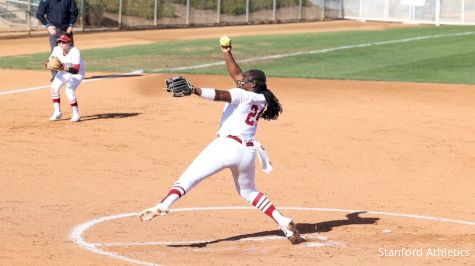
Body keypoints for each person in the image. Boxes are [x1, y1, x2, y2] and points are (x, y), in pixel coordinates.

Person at [139, 44, 304, 244]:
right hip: (248, 152)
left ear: (252, 84)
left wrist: (194, 90)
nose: (241, 79)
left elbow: (219, 95)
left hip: (227, 147)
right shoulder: (260, 98)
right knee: (248, 192)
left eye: (245, 79)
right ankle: (282, 221)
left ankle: (164, 204)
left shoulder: (242, 94)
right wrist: (227, 52)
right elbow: (236, 74)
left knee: (190, 177)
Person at [36, 0, 79, 81]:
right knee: (55, 53)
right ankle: (56, 77)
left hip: (66, 30)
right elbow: (39, 14)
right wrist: (48, 26)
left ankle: (72, 74)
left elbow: (74, 11)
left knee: (70, 52)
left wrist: (71, 24)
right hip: (53, 30)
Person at [46, 34, 85, 122]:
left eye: (63, 42)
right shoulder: (56, 49)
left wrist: (62, 68)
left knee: (69, 90)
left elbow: (76, 70)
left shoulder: (75, 51)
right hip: (64, 71)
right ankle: (57, 113)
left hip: (77, 73)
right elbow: (50, 62)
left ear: (69, 43)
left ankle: (76, 114)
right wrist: (48, 64)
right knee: (54, 88)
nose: (61, 44)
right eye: (59, 42)